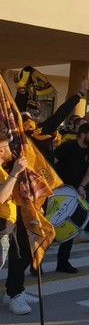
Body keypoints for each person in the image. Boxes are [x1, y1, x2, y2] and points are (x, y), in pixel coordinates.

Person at [52, 122, 89, 273]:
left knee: (71, 227)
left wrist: (82, 186)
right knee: (50, 226)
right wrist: (54, 184)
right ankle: (36, 263)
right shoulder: (67, 147)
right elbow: (50, 164)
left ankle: (63, 262)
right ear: (83, 135)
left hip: (76, 192)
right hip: (58, 191)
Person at [0, 133, 38, 315]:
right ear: (1, 150)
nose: (12, 150)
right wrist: (15, 173)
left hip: (9, 223)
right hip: (1, 224)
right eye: (8, 147)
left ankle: (14, 292)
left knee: (20, 255)